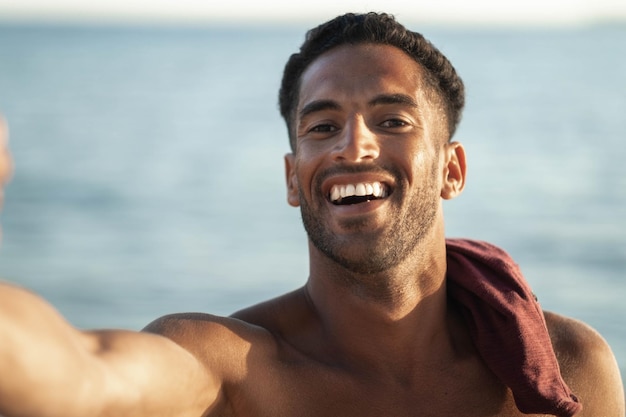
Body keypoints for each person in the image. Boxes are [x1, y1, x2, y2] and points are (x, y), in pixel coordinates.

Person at [0, 12, 624, 417]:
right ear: (295, 178)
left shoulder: (567, 369)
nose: (353, 148)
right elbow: (83, 382)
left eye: (392, 121)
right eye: (322, 126)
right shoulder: (233, 372)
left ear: (451, 171)